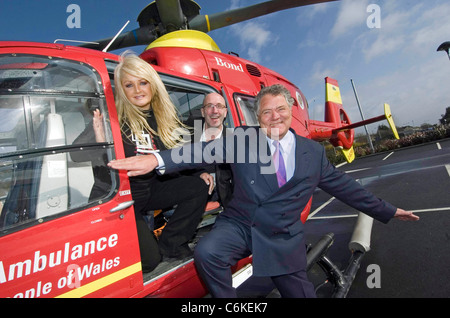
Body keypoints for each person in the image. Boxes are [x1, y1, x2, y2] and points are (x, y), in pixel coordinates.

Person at [108, 84, 419, 297]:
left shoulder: (313, 153)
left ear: (290, 110)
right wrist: (156, 159)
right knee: (207, 252)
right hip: (241, 224)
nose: (275, 117)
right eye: (267, 112)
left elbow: (346, 188)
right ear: (257, 118)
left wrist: (388, 210)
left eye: (280, 109)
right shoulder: (243, 138)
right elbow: (197, 153)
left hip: (281, 233)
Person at [80, 53, 210, 273]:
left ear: (153, 85)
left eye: (143, 82)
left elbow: (168, 159)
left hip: (148, 191)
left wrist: (198, 175)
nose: (138, 90)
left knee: (197, 186)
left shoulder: (161, 119)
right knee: (150, 261)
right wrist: (100, 140)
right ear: (121, 90)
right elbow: (76, 155)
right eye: (129, 85)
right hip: (121, 200)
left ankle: (172, 243)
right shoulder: (113, 117)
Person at [188, 92, 234, 208]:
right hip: (191, 195)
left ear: (225, 112)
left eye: (219, 106)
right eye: (209, 106)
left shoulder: (235, 140)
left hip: (224, 201)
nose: (215, 111)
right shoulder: (188, 136)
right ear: (203, 112)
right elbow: (176, 168)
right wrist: (199, 174)